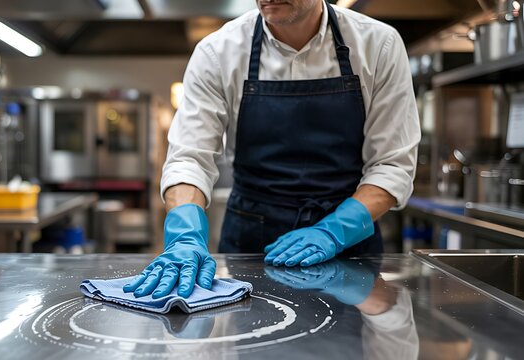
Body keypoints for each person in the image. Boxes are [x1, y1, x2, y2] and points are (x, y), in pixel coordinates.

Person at [124, 0, 420, 299]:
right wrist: (184, 234)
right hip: (249, 247)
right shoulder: (217, 52)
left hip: (349, 250)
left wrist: (334, 231)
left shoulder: (378, 44)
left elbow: (392, 166)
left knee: (349, 345)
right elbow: (190, 157)